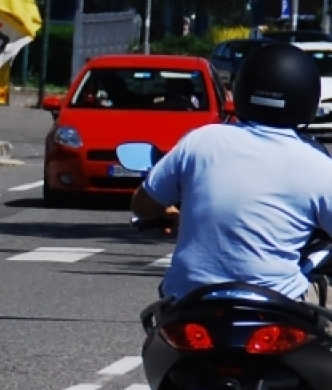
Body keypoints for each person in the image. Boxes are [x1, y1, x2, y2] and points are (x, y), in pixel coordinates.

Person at [131, 42, 332, 306]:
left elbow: (142, 205)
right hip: (276, 303)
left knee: (159, 333)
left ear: (241, 89)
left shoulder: (201, 141)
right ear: (308, 98)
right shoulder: (318, 165)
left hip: (188, 300)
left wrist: (170, 214)